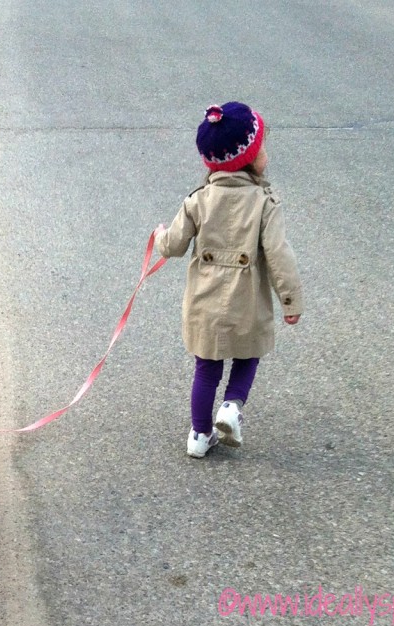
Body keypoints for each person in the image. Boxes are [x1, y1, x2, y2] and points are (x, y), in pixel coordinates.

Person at [155, 101, 303, 458]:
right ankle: (231, 408)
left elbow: (173, 245)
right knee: (247, 357)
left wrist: (159, 235)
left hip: (204, 301)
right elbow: (280, 254)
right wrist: (290, 302)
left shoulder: (198, 200)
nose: (266, 154)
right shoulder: (264, 203)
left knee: (205, 369)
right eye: (262, 148)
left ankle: (199, 436)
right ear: (248, 158)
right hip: (246, 301)